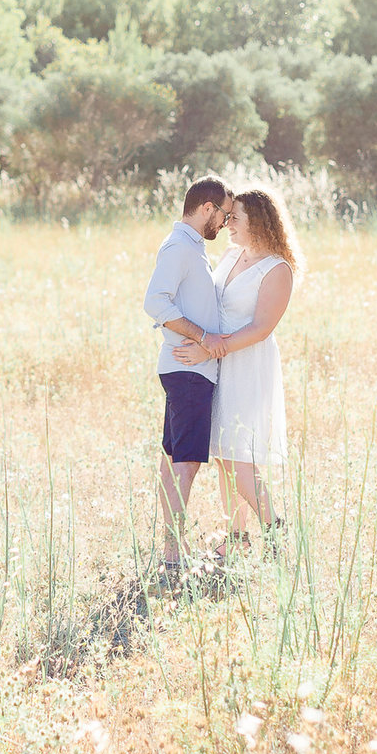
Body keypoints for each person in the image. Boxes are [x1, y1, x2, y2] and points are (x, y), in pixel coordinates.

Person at [173, 186, 300, 551]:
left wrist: (211, 348)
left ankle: (276, 530)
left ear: (258, 221)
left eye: (235, 218)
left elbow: (262, 328)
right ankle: (238, 539)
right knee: (223, 454)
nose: (227, 224)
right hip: (218, 361)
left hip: (246, 362)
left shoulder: (277, 269)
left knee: (238, 455)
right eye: (228, 217)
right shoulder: (231, 255)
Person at [142, 176, 231, 573]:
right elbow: (155, 301)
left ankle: (171, 551)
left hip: (188, 368)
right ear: (207, 208)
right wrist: (204, 336)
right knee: (186, 461)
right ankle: (173, 554)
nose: (225, 224)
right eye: (224, 215)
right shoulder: (180, 247)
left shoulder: (191, 247)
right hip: (188, 369)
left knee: (175, 456)